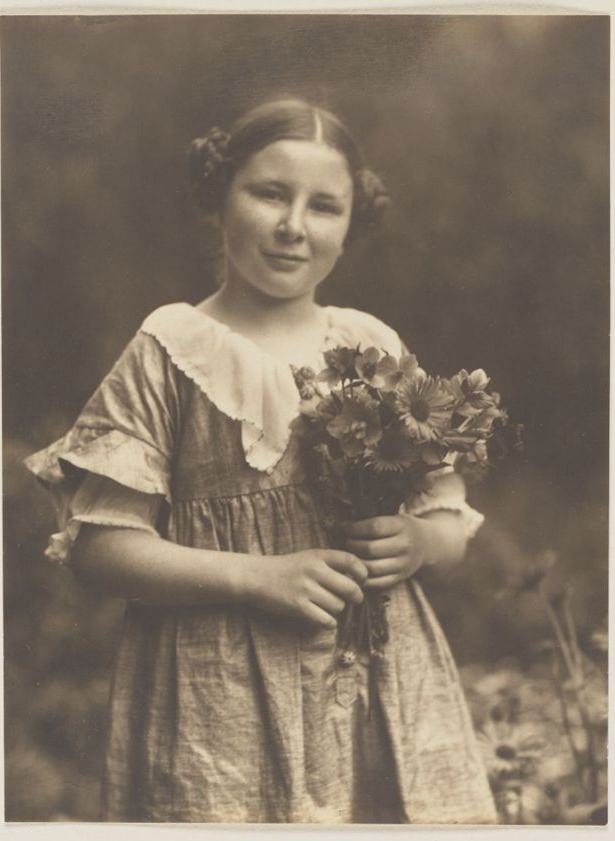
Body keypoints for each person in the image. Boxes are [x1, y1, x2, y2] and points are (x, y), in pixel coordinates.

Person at [25, 98, 498, 824]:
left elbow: (446, 512)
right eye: (270, 193)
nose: (293, 226)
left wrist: (419, 542)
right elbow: (101, 549)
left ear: (350, 224)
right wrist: (257, 575)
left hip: (378, 685)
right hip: (219, 695)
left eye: (324, 206)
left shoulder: (372, 346)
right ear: (219, 198)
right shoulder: (170, 349)